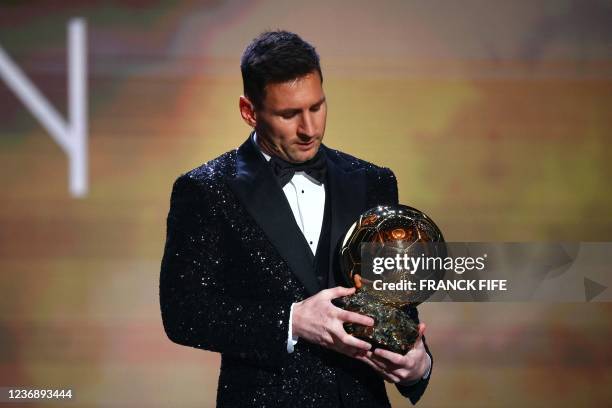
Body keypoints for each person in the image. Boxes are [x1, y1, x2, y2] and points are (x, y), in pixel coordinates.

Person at [159, 30, 432, 407]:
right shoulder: (205, 190)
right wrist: (292, 321)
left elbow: (393, 302)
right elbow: (184, 313)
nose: (309, 129)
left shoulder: (374, 182)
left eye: (317, 107)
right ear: (248, 111)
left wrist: (418, 363)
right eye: (289, 114)